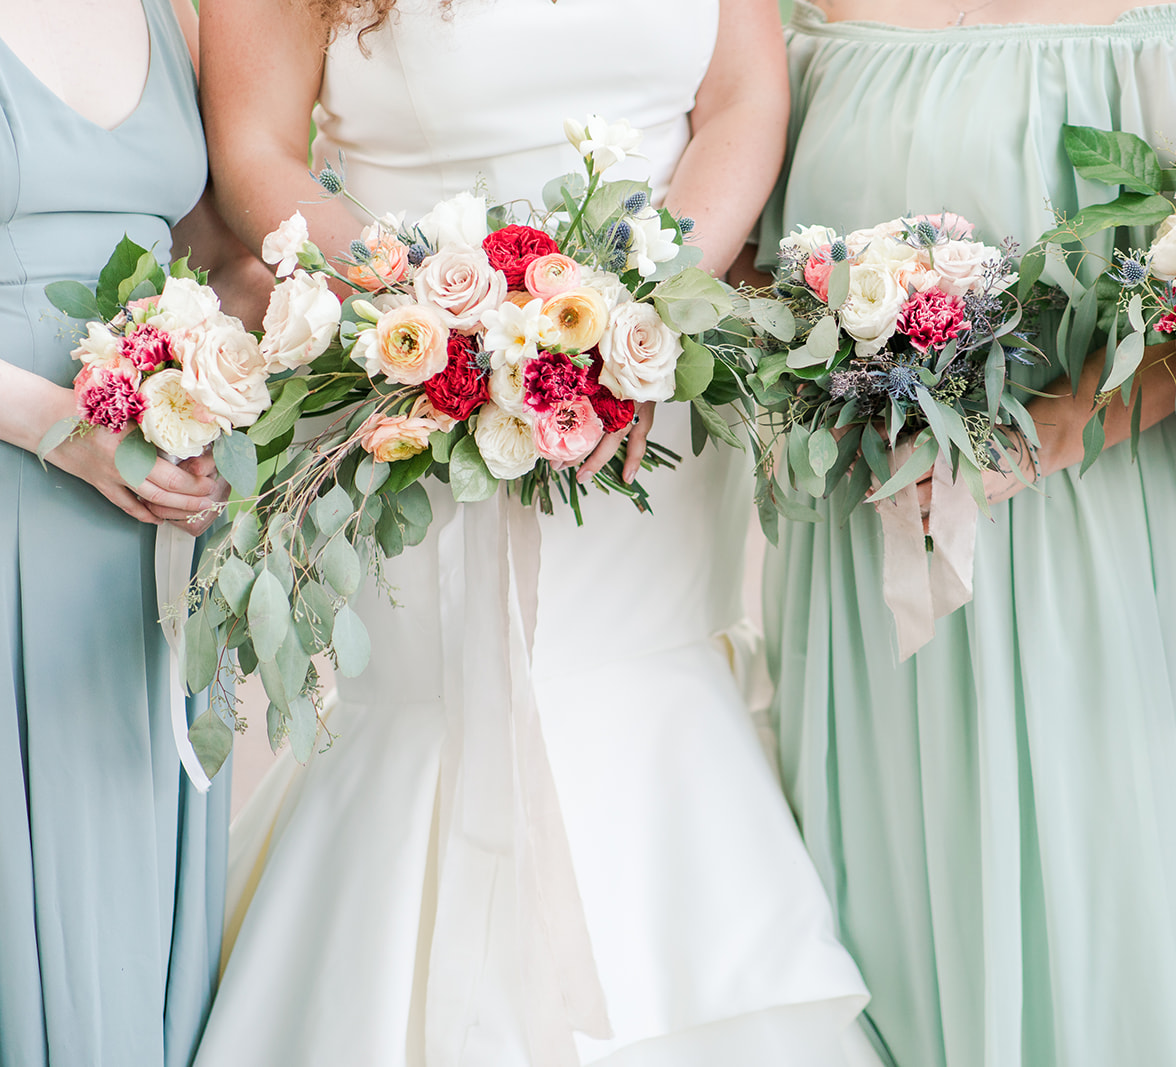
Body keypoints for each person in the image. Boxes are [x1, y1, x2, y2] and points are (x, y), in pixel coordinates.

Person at [193, 1, 876, 1064]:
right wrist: (431, 315)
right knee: (455, 704)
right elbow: (253, 148)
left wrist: (644, 307)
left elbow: (742, 93)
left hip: (645, 391)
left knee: (644, 683)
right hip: (415, 380)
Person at [756, 1, 1176, 1064]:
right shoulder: (805, 36)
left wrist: (1051, 430)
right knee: (889, 916)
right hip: (863, 559)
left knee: (1103, 912)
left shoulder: (1163, 43)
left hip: (1092, 554)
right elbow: (748, 274)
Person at [0, 0, 271, 1062]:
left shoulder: (178, 12)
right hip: (31, 461)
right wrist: (60, 429)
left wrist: (258, 345)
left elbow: (210, 252)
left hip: (149, 499)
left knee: (125, 872)